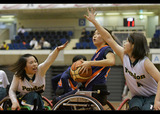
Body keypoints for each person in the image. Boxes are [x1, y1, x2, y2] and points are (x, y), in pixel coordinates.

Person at [84, 8, 160, 110]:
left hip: (152, 96)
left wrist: (157, 101)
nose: (124, 43)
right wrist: (94, 22)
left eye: (127, 41)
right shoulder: (123, 55)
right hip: (137, 97)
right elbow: (109, 38)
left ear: (133, 45)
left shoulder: (145, 62)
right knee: (134, 108)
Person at [9, 41, 68, 110]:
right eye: (31, 63)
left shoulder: (40, 70)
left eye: (35, 61)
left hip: (37, 99)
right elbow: (12, 90)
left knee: (36, 96)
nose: (34, 64)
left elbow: (49, 61)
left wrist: (57, 50)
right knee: (33, 95)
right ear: (24, 66)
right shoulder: (18, 75)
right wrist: (14, 102)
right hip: (22, 101)